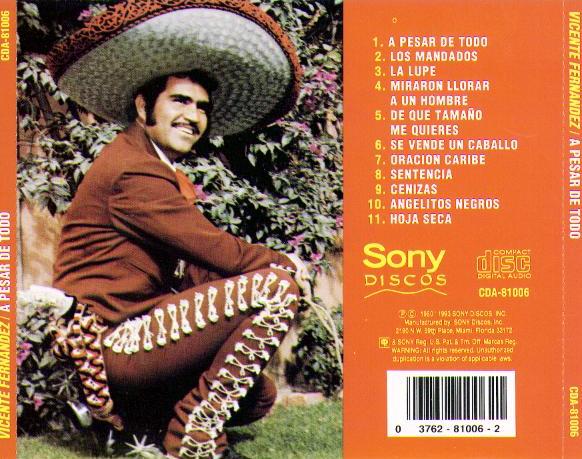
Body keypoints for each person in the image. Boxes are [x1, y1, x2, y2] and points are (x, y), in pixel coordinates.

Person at [47, 1, 307, 457]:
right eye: (180, 101)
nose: (193, 116)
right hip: (112, 343)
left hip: (140, 330)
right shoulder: (133, 171)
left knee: (258, 395)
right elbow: (216, 250)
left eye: (202, 107)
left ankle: (140, 421)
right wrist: (285, 263)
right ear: (143, 105)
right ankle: (193, 437)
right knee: (276, 289)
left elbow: (201, 267)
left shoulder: (148, 163)